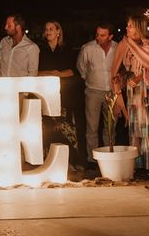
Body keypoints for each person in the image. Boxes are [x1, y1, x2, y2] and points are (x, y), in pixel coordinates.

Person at [111, 15, 149, 174]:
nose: (127, 28)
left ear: (139, 27)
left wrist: (140, 77)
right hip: (133, 92)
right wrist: (123, 78)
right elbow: (121, 69)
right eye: (127, 25)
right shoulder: (124, 45)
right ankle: (138, 162)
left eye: (130, 25)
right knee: (136, 126)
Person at [38, 20, 84, 167]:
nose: (48, 32)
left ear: (58, 31)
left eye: (51, 29)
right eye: (46, 29)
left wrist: (57, 74)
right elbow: (37, 72)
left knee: (66, 127)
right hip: (46, 95)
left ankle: (72, 161)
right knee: (47, 127)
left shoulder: (67, 49)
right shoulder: (41, 50)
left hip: (66, 94)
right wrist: (54, 73)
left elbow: (71, 71)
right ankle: (48, 161)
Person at [76, 23, 118, 165]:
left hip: (112, 92)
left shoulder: (117, 48)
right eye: (97, 34)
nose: (98, 37)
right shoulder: (88, 48)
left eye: (102, 35)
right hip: (93, 91)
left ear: (110, 36)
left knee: (110, 127)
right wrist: (88, 78)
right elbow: (81, 66)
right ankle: (93, 160)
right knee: (92, 126)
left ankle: (109, 157)